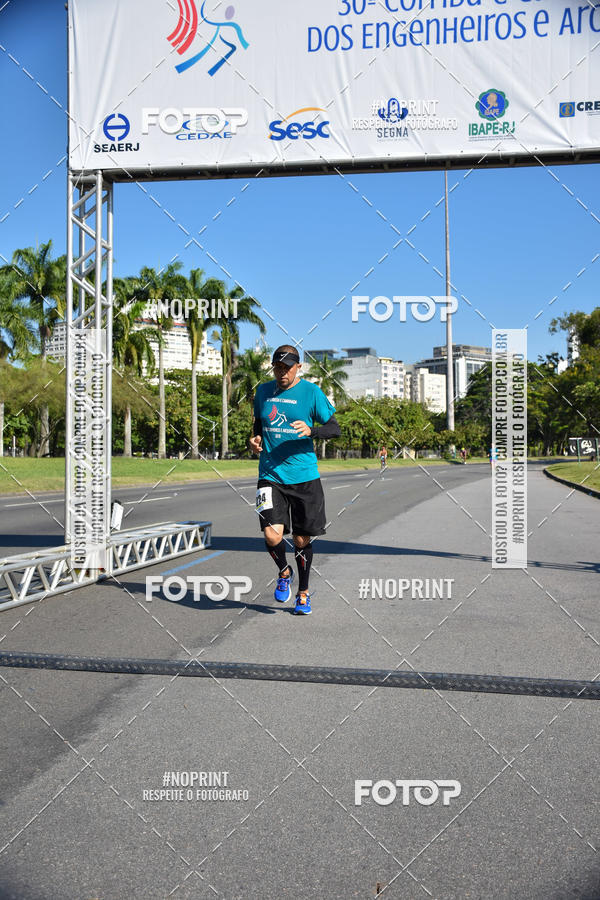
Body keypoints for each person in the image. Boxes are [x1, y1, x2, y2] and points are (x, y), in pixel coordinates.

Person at [249, 346, 341, 615]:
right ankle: (283, 570)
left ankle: (303, 593)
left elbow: (334, 428)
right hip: (270, 475)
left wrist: (312, 430)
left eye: (287, 368)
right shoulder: (264, 392)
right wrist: (254, 440)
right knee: (271, 534)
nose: (282, 373)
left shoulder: (311, 393)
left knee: (301, 540)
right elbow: (258, 426)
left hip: (304, 478)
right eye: (277, 368)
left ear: (298, 367)